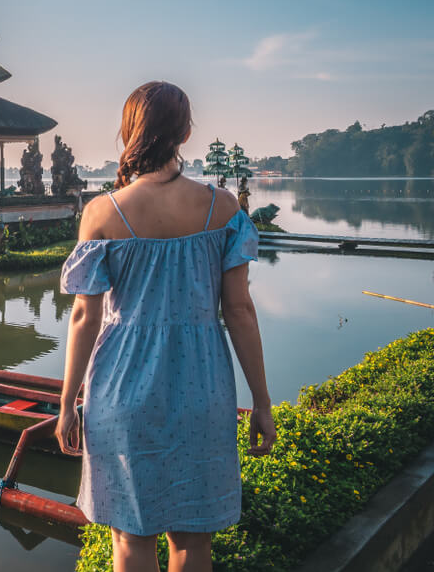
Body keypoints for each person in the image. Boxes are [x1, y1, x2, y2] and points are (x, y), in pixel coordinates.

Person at [57, 81, 275, 572]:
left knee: (131, 545)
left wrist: (68, 403)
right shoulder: (223, 208)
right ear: (186, 131)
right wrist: (262, 402)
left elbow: (84, 317)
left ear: (129, 131)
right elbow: (239, 310)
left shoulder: (102, 214)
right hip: (203, 393)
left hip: (121, 393)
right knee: (193, 545)